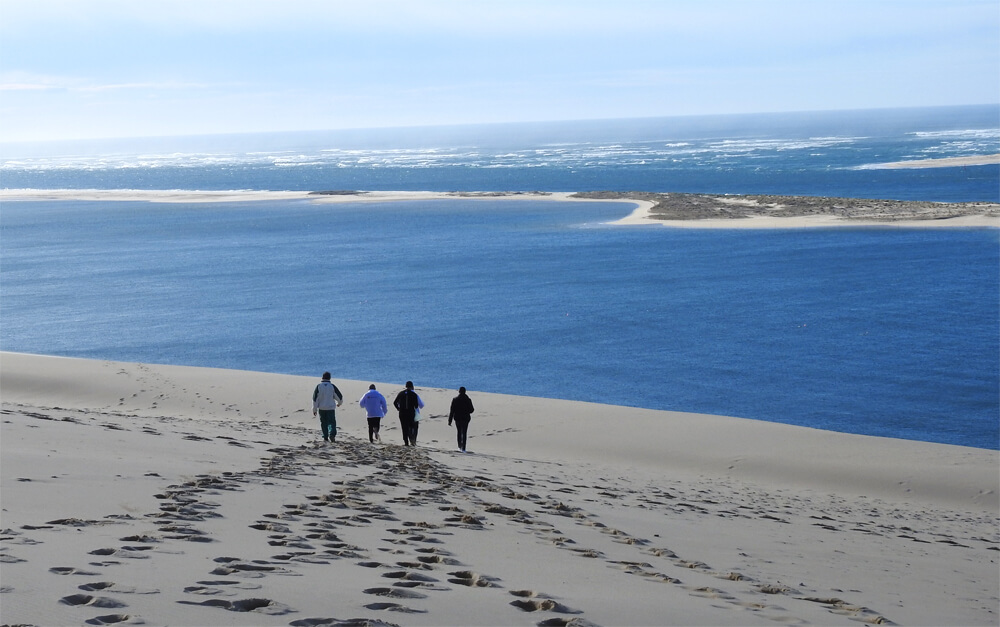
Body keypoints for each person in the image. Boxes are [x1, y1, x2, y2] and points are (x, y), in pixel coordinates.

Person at [312, 372, 343, 442]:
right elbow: (339, 397)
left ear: (322, 377)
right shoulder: (332, 386)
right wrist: (339, 403)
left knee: (323, 423)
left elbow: (315, 399)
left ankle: (325, 436)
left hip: (322, 408)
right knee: (332, 422)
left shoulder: (319, 386)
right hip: (330, 408)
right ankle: (332, 434)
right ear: (329, 378)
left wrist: (314, 409)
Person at [392, 381, 424, 446]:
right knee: (412, 426)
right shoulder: (414, 394)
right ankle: (412, 439)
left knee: (404, 427)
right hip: (410, 413)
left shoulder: (401, 393)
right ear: (412, 386)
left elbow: (395, 402)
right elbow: (416, 405)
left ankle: (406, 442)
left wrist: (398, 408)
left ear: (406, 386)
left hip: (402, 413)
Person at [448, 386, 475, 452]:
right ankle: (464, 448)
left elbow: (452, 411)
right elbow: (472, 410)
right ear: (465, 392)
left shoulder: (455, 399)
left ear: (459, 391)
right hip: (465, 418)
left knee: (459, 432)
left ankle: (459, 446)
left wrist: (450, 420)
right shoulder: (468, 400)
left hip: (458, 418)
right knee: (464, 432)